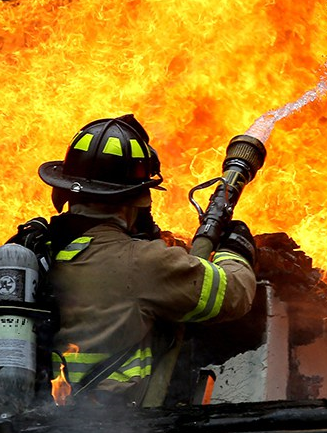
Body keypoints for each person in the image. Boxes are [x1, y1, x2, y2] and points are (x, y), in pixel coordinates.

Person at [36, 114, 257, 407]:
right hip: (117, 420)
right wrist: (234, 249)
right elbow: (234, 294)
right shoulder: (140, 263)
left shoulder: (42, 249)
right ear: (135, 201)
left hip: (47, 415)